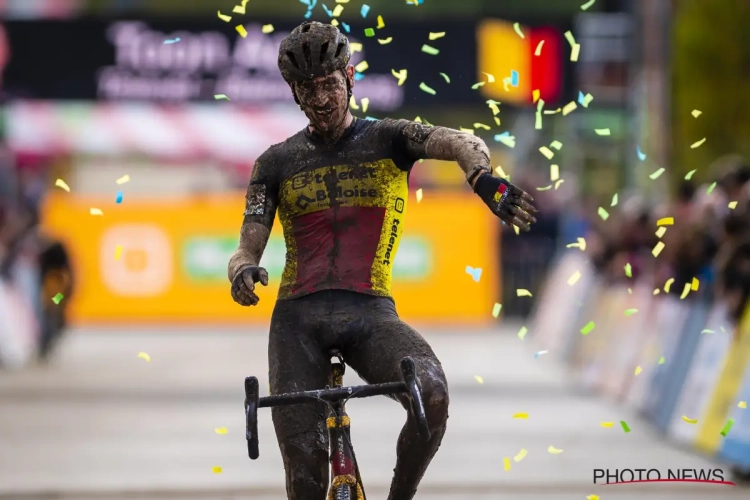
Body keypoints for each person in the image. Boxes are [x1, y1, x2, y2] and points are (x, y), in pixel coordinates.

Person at [228, 21, 537, 500]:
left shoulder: (389, 138)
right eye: (307, 89)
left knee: (430, 395)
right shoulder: (274, 162)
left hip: (370, 314)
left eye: (329, 84)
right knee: (307, 474)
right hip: (297, 322)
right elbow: (247, 244)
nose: (321, 99)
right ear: (294, 95)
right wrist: (242, 270)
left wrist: (482, 179)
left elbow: (459, 140)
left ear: (349, 78)